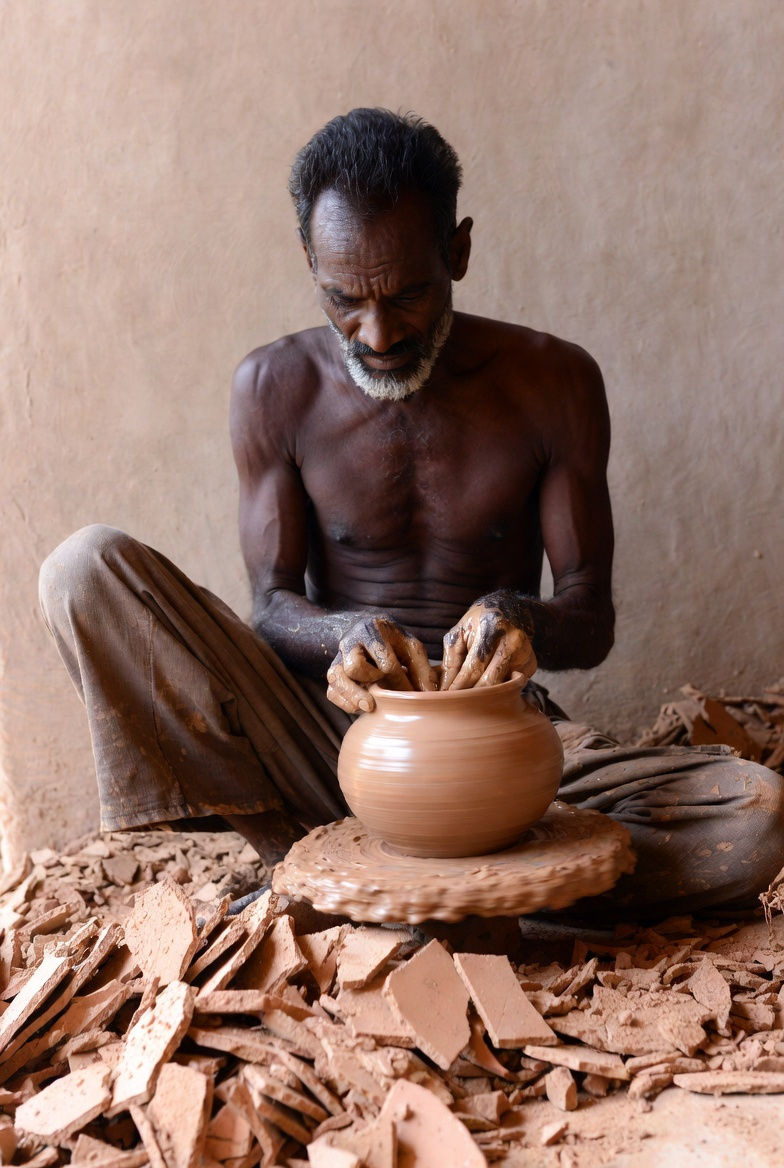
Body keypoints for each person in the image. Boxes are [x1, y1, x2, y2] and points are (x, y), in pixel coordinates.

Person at [39, 108, 784, 917]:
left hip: (497, 738)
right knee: (83, 569)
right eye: (343, 298)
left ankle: (400, 882)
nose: (378, 332)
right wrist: (342, 634)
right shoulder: (273, 387)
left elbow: (591, 619)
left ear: (457, 252)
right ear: (309, 261)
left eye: (408, 295)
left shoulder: (556, 382)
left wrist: (518, 615)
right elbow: (272, 607)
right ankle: (329, 861)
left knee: (755, 817)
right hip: (333, 735)